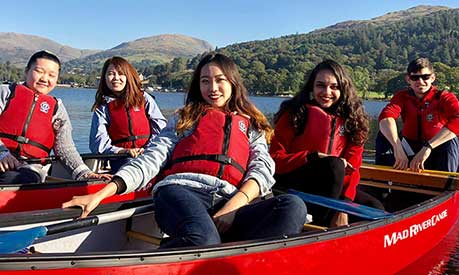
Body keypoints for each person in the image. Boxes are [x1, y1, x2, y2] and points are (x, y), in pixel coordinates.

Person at [63, 53, 307, 248]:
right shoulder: (185, 118)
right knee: (204, 238)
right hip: (180, 192)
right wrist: (101, 194)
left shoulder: (251, 124)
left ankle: (219, 254)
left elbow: (263, 169)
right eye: (205, 81)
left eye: (220, 80)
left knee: (292, 206)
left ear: (233, 82)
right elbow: (151, 158)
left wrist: (232, 208)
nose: (213, 87)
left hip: (230, 200)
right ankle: (194, 249)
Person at [269, 59, 380, 227]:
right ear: (312, 88)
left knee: (375, 209)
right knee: (334, 164)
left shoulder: (354, 120)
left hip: (334, 190)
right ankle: (321, 229)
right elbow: (275, 160)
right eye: (320, 85)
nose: (326, 92)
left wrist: (343, 208)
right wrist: (313, 157)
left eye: (334, 87)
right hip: (295, 185)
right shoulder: (294, 114)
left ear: (343, 89)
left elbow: (353, 168)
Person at [0, 50, 111, 184]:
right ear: (27, 71)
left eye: (51, 75)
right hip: (2, 156)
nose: (45, 79)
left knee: (13, 179)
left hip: (30, 168)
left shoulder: (57, 108)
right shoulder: (6, 93)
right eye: (39, 71)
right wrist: (2, 152)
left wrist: (85, 173)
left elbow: (65, 148)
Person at [376, 57, 459, 172]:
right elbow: (385, 117)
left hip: (436, 149)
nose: (420, 81)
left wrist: (428, 147)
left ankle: (447, 186)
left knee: (451, 140)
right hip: (408, 149)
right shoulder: (402, 97)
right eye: (414, 77)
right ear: (408, 79)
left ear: (433, 78)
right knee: (383, 134)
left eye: (425, 77)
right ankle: (381, 183)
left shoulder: (444, 97)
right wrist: (397, 147)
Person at [89, 56, 167, 172]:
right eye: (111, 74)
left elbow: (160, 128)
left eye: (121, 74)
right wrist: (122, 151)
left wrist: (148, 148)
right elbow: (98, 143)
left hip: (150, 155)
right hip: (122, 159)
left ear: (128, 76)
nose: (116, 78)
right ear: (104, 78)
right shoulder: (103, 108)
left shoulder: (144, 98)